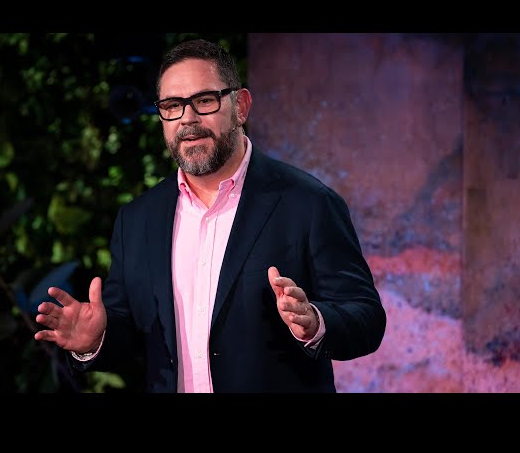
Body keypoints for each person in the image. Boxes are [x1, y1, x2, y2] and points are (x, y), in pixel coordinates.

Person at [34, 38, 386, 393]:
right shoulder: (137, 220)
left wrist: (315, 322)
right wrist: (95, 340)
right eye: (172, 105)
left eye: (204, 100)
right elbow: (131, 333)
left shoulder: (308, 203)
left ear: (241, 107)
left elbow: (366, 317)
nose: (187, 118)